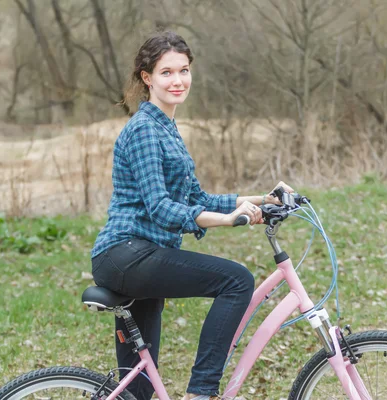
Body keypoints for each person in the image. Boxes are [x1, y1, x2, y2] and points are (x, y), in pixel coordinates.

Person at [90, 31, 293, 400]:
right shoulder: (145, 131)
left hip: (143, 255)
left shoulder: (166, 128)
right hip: (127, 253)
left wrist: (261, 200)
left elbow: (197, 198)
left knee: (137, 389)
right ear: (147, 78)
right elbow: (161, 208)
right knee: (236, 281)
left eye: (184, 70)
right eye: (166, 72)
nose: (178, 80)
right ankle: (200, 392)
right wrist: (229, 219)